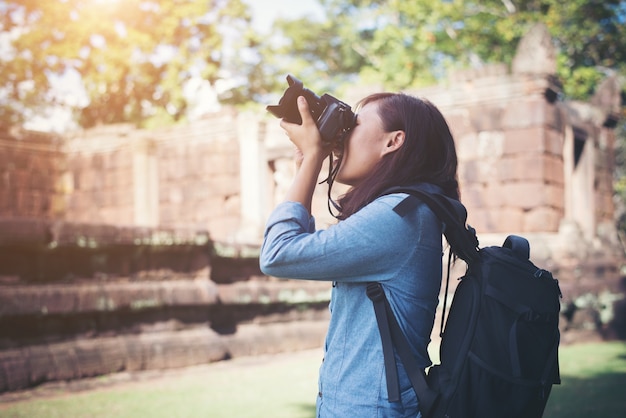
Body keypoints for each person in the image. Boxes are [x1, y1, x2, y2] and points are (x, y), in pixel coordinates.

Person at [260, 91, 459, 417]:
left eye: (352, 125)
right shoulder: (404, 211)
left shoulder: (400, 216)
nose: (341, 136)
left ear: (393, 141)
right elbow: (301, 253)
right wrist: (305, 166)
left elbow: (279, 253)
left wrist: (313, 159)